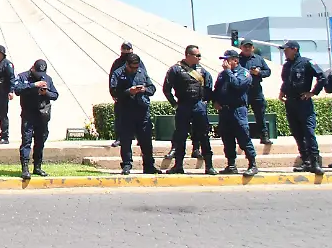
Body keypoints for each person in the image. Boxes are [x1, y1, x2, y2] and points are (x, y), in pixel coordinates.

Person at [163, 45, 217, 175]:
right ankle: (178, 166)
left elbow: (209, 88)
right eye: (197, 55)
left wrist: (205, 102)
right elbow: (166, 89)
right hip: (183, 106)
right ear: (188, 55)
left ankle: (209, 166)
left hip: (199, 106)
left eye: (199, 55)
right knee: (180, 136)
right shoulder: (175, 70)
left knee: (204, 136)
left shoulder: (203, 71)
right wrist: (175, 104)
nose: (199, 58)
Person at [278, 40, 326, 175]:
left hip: (303, 103)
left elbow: (322, 78)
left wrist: (312, 93)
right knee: (297, 133)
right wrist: (282, 92)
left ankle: (315, 162)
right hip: (290, 103)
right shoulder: (287, 65)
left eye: (286, 49)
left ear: (295, 49)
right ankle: (306, 161)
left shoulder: (307, 62)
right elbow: (286, 81)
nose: (285, 52)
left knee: (309, 133)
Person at [109, 52, 158, 175]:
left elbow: (152, 89)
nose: (135, 70)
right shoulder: (118, 74)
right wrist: (128, 92)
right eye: (132, 67)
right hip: (125, 110)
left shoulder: (142, 72)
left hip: (142, 110)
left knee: (146, 140)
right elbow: (114, 92)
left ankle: (149, 166)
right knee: (126, 140)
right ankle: (126, 165)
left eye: (137, 67)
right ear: (127, 65)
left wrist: (144, 89)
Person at [213, 50, 258, 177]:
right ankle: (231, 165)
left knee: (243, 137)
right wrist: (215, 101)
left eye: (227, 60)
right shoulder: (222, 74)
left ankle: (252, 164)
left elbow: (238, 85)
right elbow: (217, 89)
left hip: (238, 110)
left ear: (235, 60)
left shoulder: (244, 73)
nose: (224, 62)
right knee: (227, 139)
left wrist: (228, 72)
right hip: (225, 111)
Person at [15, 59, 58, 180]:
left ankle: (37, 167)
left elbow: (55, 95)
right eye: (37, 73)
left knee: (40, 141)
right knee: (26, 141)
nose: (40, 76)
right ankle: (25, 169)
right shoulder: (23, 76)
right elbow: (17, 90)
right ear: (32, 68)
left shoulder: (47, 78)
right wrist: (34, 86)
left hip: (42, 115)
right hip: (28, 114)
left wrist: (45, 93)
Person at [238, 40, 274, 144]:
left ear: (253, 48)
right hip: (243, 90)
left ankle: (264, 136)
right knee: (242, 114)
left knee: (260, 114)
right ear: (241, 48)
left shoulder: (258, 59)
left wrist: (259, 73)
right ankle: (242, 137)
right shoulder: (237, 59)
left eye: (249, 47)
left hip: (256, 90)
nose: (247, 49)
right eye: (245, 47)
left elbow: (268, 71)